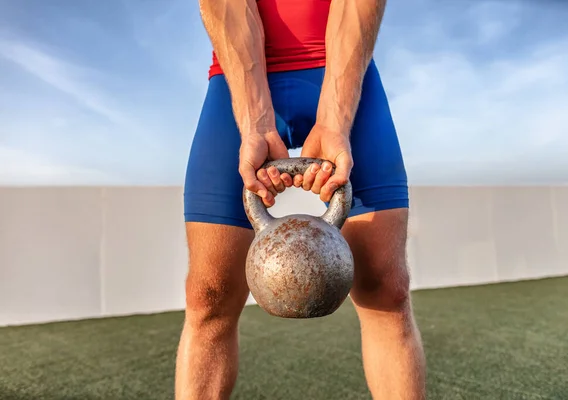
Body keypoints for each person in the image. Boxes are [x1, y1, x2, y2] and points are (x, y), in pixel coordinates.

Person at [176, 0, 426, 398]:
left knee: (386, 289)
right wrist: (256, 121)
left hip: (341, 71)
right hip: (236, 77)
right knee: (208, 296)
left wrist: (335, 119)